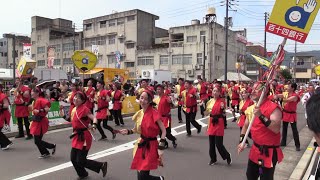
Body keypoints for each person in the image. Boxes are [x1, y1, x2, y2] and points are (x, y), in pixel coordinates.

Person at [238, 82, 283, 180]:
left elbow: (276, 129)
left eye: (256, 89)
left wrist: (261, 116)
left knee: (266, 178)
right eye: (252, 89)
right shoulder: (252, 108)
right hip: (255, 150)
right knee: (250, 176)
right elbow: (246, 125)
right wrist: (242, 140)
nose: (252, 91)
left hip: (268, 152)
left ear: (265, 91)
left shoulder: (273, 108)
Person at [119, 89, 166, 180]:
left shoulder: (154, 113)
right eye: (141, 98)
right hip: (141, 144)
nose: (143, 101)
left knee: (143, 176)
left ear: (149, 101)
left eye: (146, 99)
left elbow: (164, 131)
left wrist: (161, 145)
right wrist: (128, 131)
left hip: (151, 146)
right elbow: (137, 130)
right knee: (140, 174)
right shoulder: (139, 113)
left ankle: (160, 179)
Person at [65, 91, 108, 179]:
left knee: (80, 160)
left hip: (84, 137)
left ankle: (101, 165)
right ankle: (82, 174)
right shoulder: (74, 109)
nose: (75, 99)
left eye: (78, 98)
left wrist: (94, 125)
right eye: (75, 97)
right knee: (73, 159)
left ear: (83, 100)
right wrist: (62, 112)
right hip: (76, 135)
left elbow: (94, 118)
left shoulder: (84, 109)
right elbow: (70, 120)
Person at [205, 84, 232, 166]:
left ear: (220, 93)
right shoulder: (209, 101)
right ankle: (213, 159)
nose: (215, 92)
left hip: (219, 122)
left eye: (217, 91)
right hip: (211, 122)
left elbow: (224, 114)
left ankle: (227, 156)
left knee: (219, 144)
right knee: (211, 144)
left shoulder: (222, 101)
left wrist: (223, 109)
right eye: (214, 91)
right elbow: (207, 113)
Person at [29, 88, 56, 158]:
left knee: (37, 140)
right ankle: (46, 151)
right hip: (37, 121)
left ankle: (49, 149)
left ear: (37, 93)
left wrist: (40, 110)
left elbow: (48, 108)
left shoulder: (41, 100)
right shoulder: (35, 100)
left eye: (32, 92)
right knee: (37, 140)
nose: (31, 93)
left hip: (40, 122)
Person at [274, 82, 301, 151]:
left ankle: (297, 145)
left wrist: (279, 99)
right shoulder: (286, 93)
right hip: (285, 113)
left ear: (292, 88)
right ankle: (283, 142)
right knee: (284, 129)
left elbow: (288, 100)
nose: (287, 88)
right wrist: (275, 94)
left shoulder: (295, 96)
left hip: (292, 115)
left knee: (294, 130)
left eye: (289, 87)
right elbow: (279, 95)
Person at [0, 85, 13, 150]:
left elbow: (6, 105)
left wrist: (0, 105)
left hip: (4, 114)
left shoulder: (2, 95)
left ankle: (6, 143)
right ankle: (5, 142)